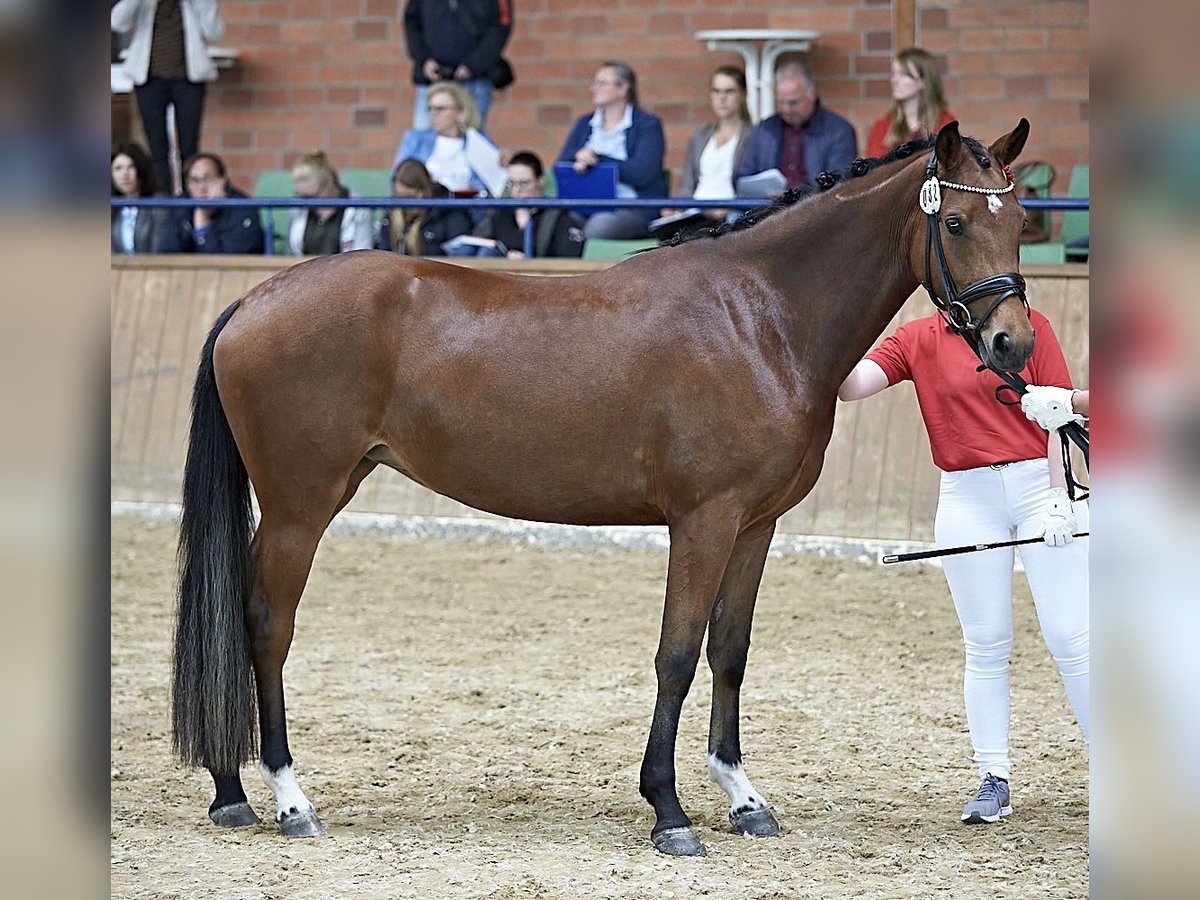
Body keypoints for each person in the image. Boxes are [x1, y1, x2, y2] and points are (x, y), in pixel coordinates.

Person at [838, 310, 1089, 825]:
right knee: (987, 641)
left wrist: (1060, 496)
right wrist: (837, 326)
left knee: (1070, 637)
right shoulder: (916, 338)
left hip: (1038, 485)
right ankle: (993, 776)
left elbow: (1057, 411)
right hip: (966, 495)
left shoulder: (1028, 325)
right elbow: (852, 385)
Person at [110, 0, 225, 195]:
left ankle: (191, 202)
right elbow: (117, 22)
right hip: (150, 80)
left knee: (189, 147)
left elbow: (214, 31)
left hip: (188, 80)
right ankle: (163, 204)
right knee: (156, 147)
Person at [557, 60, 666, 240]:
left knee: (597, 228)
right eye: (594, 83)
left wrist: (598, 160)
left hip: (629, 207)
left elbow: (643, 173)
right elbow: (561, 165)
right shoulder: (584, 123)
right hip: (583, 205)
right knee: (556, 224)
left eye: (602, 83)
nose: (594, 88)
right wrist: (579, 156)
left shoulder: (647, 125)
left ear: (623, 89)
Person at [736, 60, 857, 193]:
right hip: (767, 209)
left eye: (793, 103)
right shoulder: (765, 129)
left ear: (811, 95)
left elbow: (839, 186)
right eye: (780, 102)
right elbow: (743, 178)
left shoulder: (839, 132)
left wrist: (795, 195)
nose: (785, 109)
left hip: (816, 210)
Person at [404, 0, 512, 131]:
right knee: (423, 138)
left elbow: (501, 26)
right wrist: (424, 59)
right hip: (433, 80)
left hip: (475, 81)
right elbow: (411, 21)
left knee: (472, 139)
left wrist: (474, 65)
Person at [670, 65, 753, 224]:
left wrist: (730, 207)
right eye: (716, 91)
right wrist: (676, 208)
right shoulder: (701, 135)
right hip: (694, 212)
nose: (722, 98)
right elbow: (687, 182)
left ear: (742, 95)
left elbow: (751, 186)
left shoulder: (752, 136)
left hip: (730, 215)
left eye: (729, 91)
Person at [471, 151, 584, 258]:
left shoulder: (557, 217)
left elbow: (566, 263)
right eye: (512, 183)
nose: (516, 190)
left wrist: (528, 264)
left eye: (524, 183)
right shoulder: (500, 214)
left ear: (540, 181)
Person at [391, 81, 497, 195]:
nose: (433, 113)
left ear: (461, 112)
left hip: (467, 209)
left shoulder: (478, 142)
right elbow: (398, 178)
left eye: (440, 108)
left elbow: (493, 185)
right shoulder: (415, 140)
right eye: (430, 108)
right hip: (425, 209)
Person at [157, 152, 264, 253]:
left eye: (207, 178)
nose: (201, 187)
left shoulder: (243, 208)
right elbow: (166, 251)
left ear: (223, 180)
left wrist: (203, 224)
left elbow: (229, 261)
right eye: (194, 180)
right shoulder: (181, 204)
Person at [866, 47, 955, 159]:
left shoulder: (945, 124)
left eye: (904, 74)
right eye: (893, 73)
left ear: (923, 81)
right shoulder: (882, 127)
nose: (894, 80)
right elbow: (874, 170)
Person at [377, 158, 473, 256]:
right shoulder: (393, 213)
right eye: (399, 196)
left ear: (423, 191)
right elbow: (383, 253)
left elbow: (460, 257)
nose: (403, 204)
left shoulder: (449, 211)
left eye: (408, 197)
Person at [286, 151, 374, 256]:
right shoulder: (298, 207)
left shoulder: (358, 207)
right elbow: (290, 253)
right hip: (305, 269)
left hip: (346, 270)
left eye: (314, 195)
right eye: (303, 197)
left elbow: (362, 257)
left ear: (329, 182)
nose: (309, 203)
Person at [111, 142, 168, 254]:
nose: (125, 174)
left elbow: (159, 250)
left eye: (131, 167)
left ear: (141, 169)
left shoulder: (158, 203)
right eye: (118, 168)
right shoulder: (111, 206)